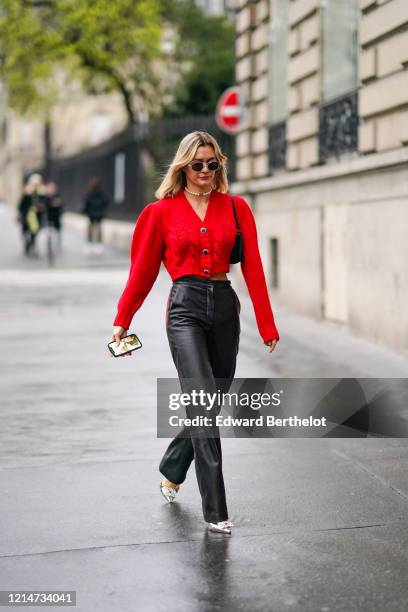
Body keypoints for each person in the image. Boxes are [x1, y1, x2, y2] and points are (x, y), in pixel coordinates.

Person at [110, 131, 280, 535]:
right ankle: (216, 511)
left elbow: (253, 267)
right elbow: (143, 273)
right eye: (198, 164)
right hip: (184, 309)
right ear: (183, 167)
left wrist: (267, 323)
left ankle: (173, 465)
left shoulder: (236, 208)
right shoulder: (160, 213)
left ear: (220, 165)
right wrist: (123, 320)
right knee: (203, 402)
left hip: (225, 307)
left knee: (212, 398)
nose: (206, 171)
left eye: (212, 164)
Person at [17, 173, 47, 257]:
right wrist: (20, 213)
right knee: (26, 231)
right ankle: (27, 243)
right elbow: (21, 205)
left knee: (34, 232)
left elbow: (45, 203)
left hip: (37, 216)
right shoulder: (27, 192)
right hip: (27, 215)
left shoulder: (42, 192)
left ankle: (32, 245)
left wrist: (42, 207)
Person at [82, 178, 109, 254]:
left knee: (91, 229)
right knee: (98, 230)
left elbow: (86, 204)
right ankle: (98, 245)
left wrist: (85, 211)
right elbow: (106, 202)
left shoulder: (89, 194)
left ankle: (90, 244)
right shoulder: (102, 194)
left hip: (91, 214)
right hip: (99, 214)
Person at [45, 181, 64, 253]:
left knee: (58, 232)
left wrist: (58, 204)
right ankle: (50, 245)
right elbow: (45, 206)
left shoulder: (57, 195)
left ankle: (58, 245)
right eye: (49, 188)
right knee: (50, 232)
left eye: (51, 188)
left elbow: (61, 204)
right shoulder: (46, 197)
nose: (50, 189)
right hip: (49, 217)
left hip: (57, 217)